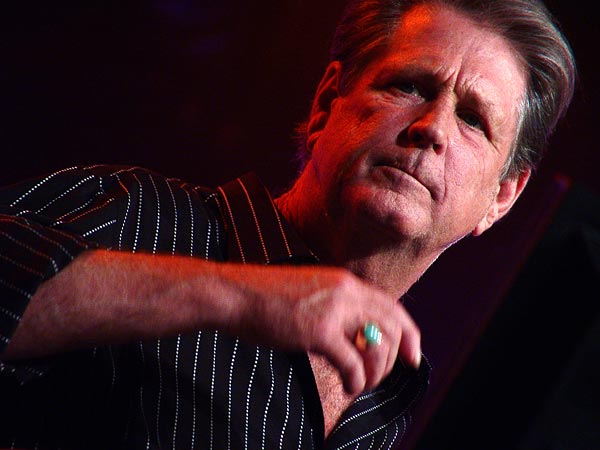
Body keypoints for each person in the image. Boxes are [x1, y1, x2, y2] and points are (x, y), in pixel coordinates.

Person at [0, 0, 575, 448]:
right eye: (409, 85)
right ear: (326, 102)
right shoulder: (143, 216)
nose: (433, 127)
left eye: (473, 119)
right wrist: (242, 298)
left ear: (502, 197)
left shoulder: (390, 395)